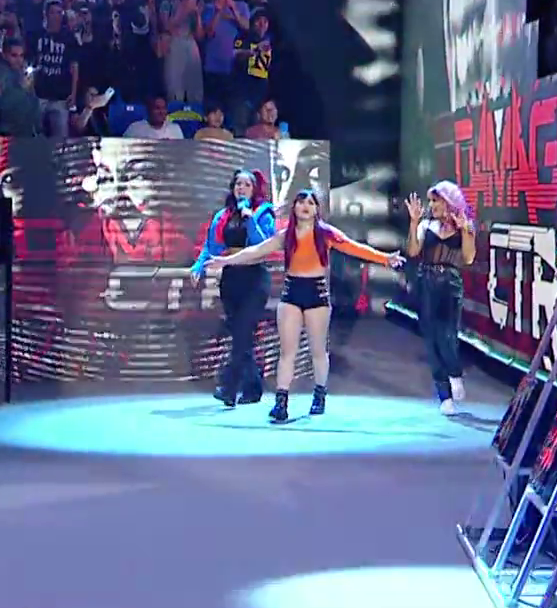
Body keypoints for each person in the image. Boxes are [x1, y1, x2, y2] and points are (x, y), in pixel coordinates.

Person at [206, 189, 401, 423]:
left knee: (318, 351)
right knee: (287, 352)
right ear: (294, 208)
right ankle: (281, 402)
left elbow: (354, 247)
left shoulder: (326, 234)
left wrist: (385, 259)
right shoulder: (286, 235)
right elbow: (256, 251)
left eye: (310, 203)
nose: (305, 206)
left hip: (316, 293)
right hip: (291, 292)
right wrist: (225, 261)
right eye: (301, 202)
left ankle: (319, 394)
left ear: (317, 209)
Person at [191, 169, 277, 408]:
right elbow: (210, 246)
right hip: (230, 278)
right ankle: (253, 388)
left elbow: (264, 243)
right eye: (238, 184)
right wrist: (198, 267)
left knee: (242, 330)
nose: (241, 188)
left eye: (246, 184)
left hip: (255, 278)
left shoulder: (263, 213)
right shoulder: (223, 215)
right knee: (241, 335)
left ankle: (228, 387)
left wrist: (249, 219)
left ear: (254, 189)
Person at [404, 181, 476, 416]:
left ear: (449, 202)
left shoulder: (465, 225)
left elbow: (468, 258)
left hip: (450, 284)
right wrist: (413, 222)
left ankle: (454, 372)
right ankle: (444, 395)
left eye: (436, 200)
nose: (432, 205)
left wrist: (465, 231)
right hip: (426, 282)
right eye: (431, 201)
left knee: (447, 335)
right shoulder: (426, 225)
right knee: (431, 338)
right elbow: (413, 251)